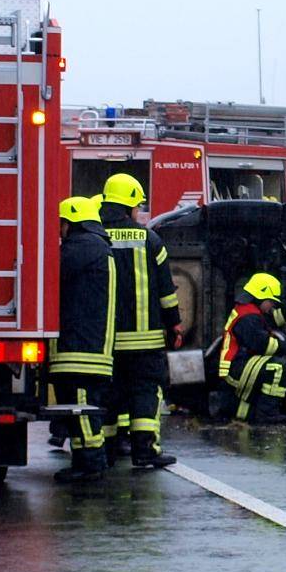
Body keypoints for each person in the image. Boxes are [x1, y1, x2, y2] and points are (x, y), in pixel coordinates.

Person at [101, 173, 182, 467]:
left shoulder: (95, 236)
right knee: (146, 392)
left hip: (106, 340)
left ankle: (106, 450)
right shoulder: (150, 239)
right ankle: (145, 450)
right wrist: (174, 324)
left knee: (110, 393)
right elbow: (166, 292)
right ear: (129, 206)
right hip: (145, 341)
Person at [52, 196, 115, 483]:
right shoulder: (97, 246)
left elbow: (53, 272)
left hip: (81, 350)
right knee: (79, 407)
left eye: (62, 224)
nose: (60, 231)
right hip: (90, 347)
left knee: (81, 406)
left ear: (72, 222)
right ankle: (83, 461)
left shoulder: (83, 247)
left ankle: (92, 465)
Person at [219, 273, 286, 423]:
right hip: (237, 368)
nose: (272, 306)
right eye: (271, 302)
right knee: (278, 367)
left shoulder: (250, 310)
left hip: (242, 363)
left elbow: (273, 320)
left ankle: (259, 410)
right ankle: (267, 414)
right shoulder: (248, 317)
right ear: (260, 296)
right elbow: (263, 345)